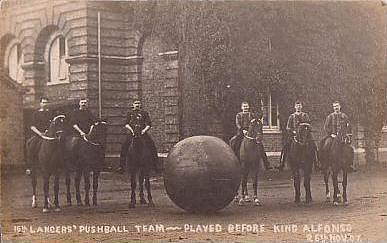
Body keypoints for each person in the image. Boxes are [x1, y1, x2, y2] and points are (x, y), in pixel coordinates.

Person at [117, 100, 158, 173]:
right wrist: (131, 130)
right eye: (135, 103)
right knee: (124, 146)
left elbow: (149, 124)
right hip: (132, 133)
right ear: (133, 104)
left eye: (138, 103)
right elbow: (126, 124)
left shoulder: (144, 113)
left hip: (142, 133)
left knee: (152, 146)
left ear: (140, 105)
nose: (137, 105)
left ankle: (156, 166)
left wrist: (144, 131)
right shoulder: (130, 113)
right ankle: (121, 166)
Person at [323, 100, 356, 172]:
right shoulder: (330, 116)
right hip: (332, 136)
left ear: (340, 107)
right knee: (326, 145)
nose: (336, 108)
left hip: (342, 137)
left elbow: (349, 127)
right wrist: (331, 134)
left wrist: (347, 135)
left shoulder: (344, 116)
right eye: (334, 106)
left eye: (337, 106)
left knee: (350, 148)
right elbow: (326, 127)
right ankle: (325, 163)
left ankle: (349, 164)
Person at [26, 97, 53, 174]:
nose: (45, 104)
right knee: (31, 145)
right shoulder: (36, 113)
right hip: (38, 135)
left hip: (49, 135)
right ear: (40, 103)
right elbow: (32, 126)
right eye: (43, 102)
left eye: (46, 103)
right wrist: (40, 133)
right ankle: (30, 167)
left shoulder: (50, 113)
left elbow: (53, 124)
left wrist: (49, 131)